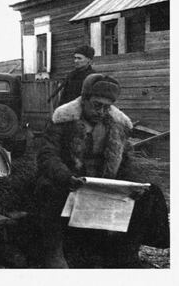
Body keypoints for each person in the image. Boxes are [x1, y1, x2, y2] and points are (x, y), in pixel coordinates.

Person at [34, 73, 169, 268]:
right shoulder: (63, 121)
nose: (102, 111)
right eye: (97, 105)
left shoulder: (116, 125)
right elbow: (47, 156)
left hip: (100, 181)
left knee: (149, 194)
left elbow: (126, 161)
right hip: (69, 178)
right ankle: (54, 252)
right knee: (50, 189)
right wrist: (67, 177)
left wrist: (132, 184)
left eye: (107, 107)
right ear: (84, 100)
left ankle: (126, 252)